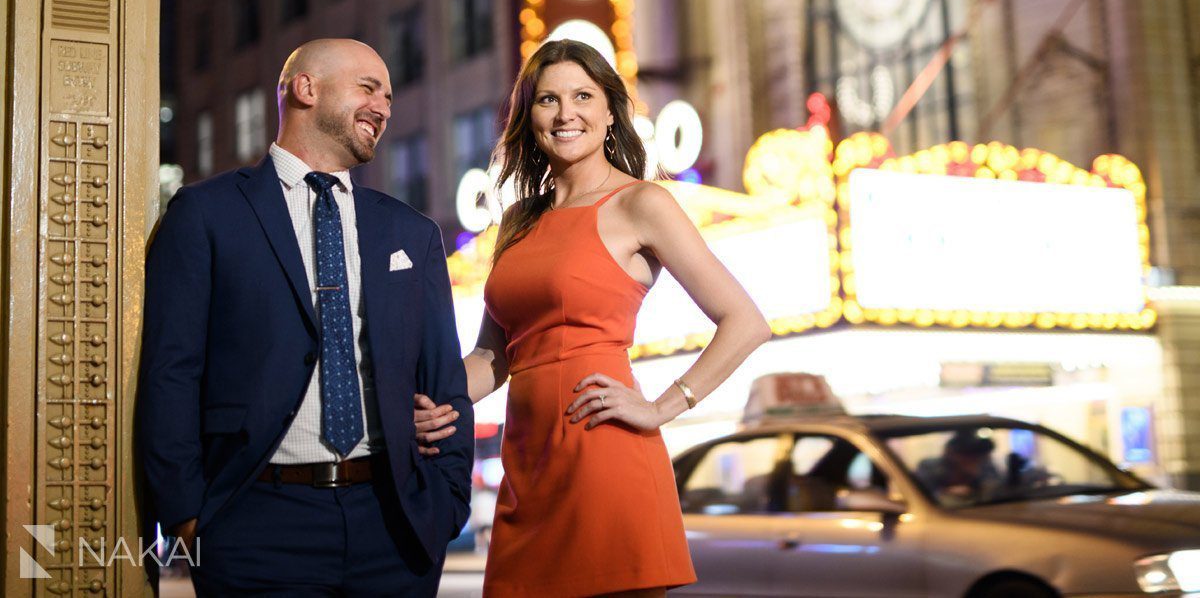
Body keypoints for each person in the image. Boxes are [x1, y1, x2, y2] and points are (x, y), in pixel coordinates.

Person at [415, 39, 772, 597]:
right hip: (527, 469)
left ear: (610, 110)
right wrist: (434, 400)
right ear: (528, 117)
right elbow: (494, 358)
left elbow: (746, 321)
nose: (565, 113)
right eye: (548, 99)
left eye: (582, 96)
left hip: (605, 454)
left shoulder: (642, 204)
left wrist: (662, 406)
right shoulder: (516, 221)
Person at [138, 39, 473, 596]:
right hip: (253, 522)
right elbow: (170, 372)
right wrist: (187, 517)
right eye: (368, 88)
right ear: (305, 88)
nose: (384, 107)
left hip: (394, 525)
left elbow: (444, 379)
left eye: (389, 96)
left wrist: (446, 501)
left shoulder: (410, 233)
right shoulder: (206, 214)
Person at [915, 431, 1002, 504]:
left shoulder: (985, 465)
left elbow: (997, 488)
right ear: (951, 453)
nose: (971, 459)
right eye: (966, 455)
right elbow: (920, 493)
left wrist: (976, 476)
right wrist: (945, 492)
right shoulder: (929, 466)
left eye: (975, 456)